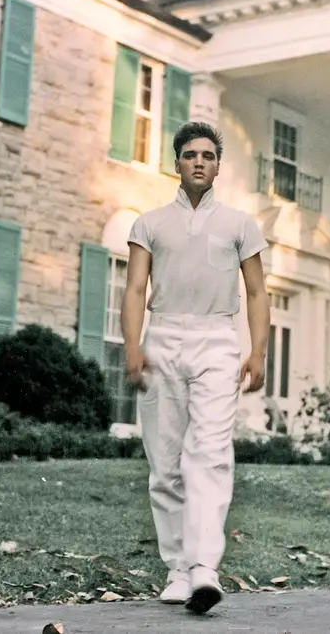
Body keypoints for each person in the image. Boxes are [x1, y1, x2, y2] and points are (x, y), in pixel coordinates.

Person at [121, 121, 270, 615]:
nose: (199, 161)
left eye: (208, 154)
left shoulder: (239, 224)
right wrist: (131, 346)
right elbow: (135, 290)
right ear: (178, 164)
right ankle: (178, 570)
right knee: (165, 463)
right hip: (162, 337)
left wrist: (258, 351)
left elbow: (256, 292)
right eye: (190, 155)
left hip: (215, 340)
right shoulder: (149, 223)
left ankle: (205, 568)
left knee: (208, 454)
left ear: (218, 165)